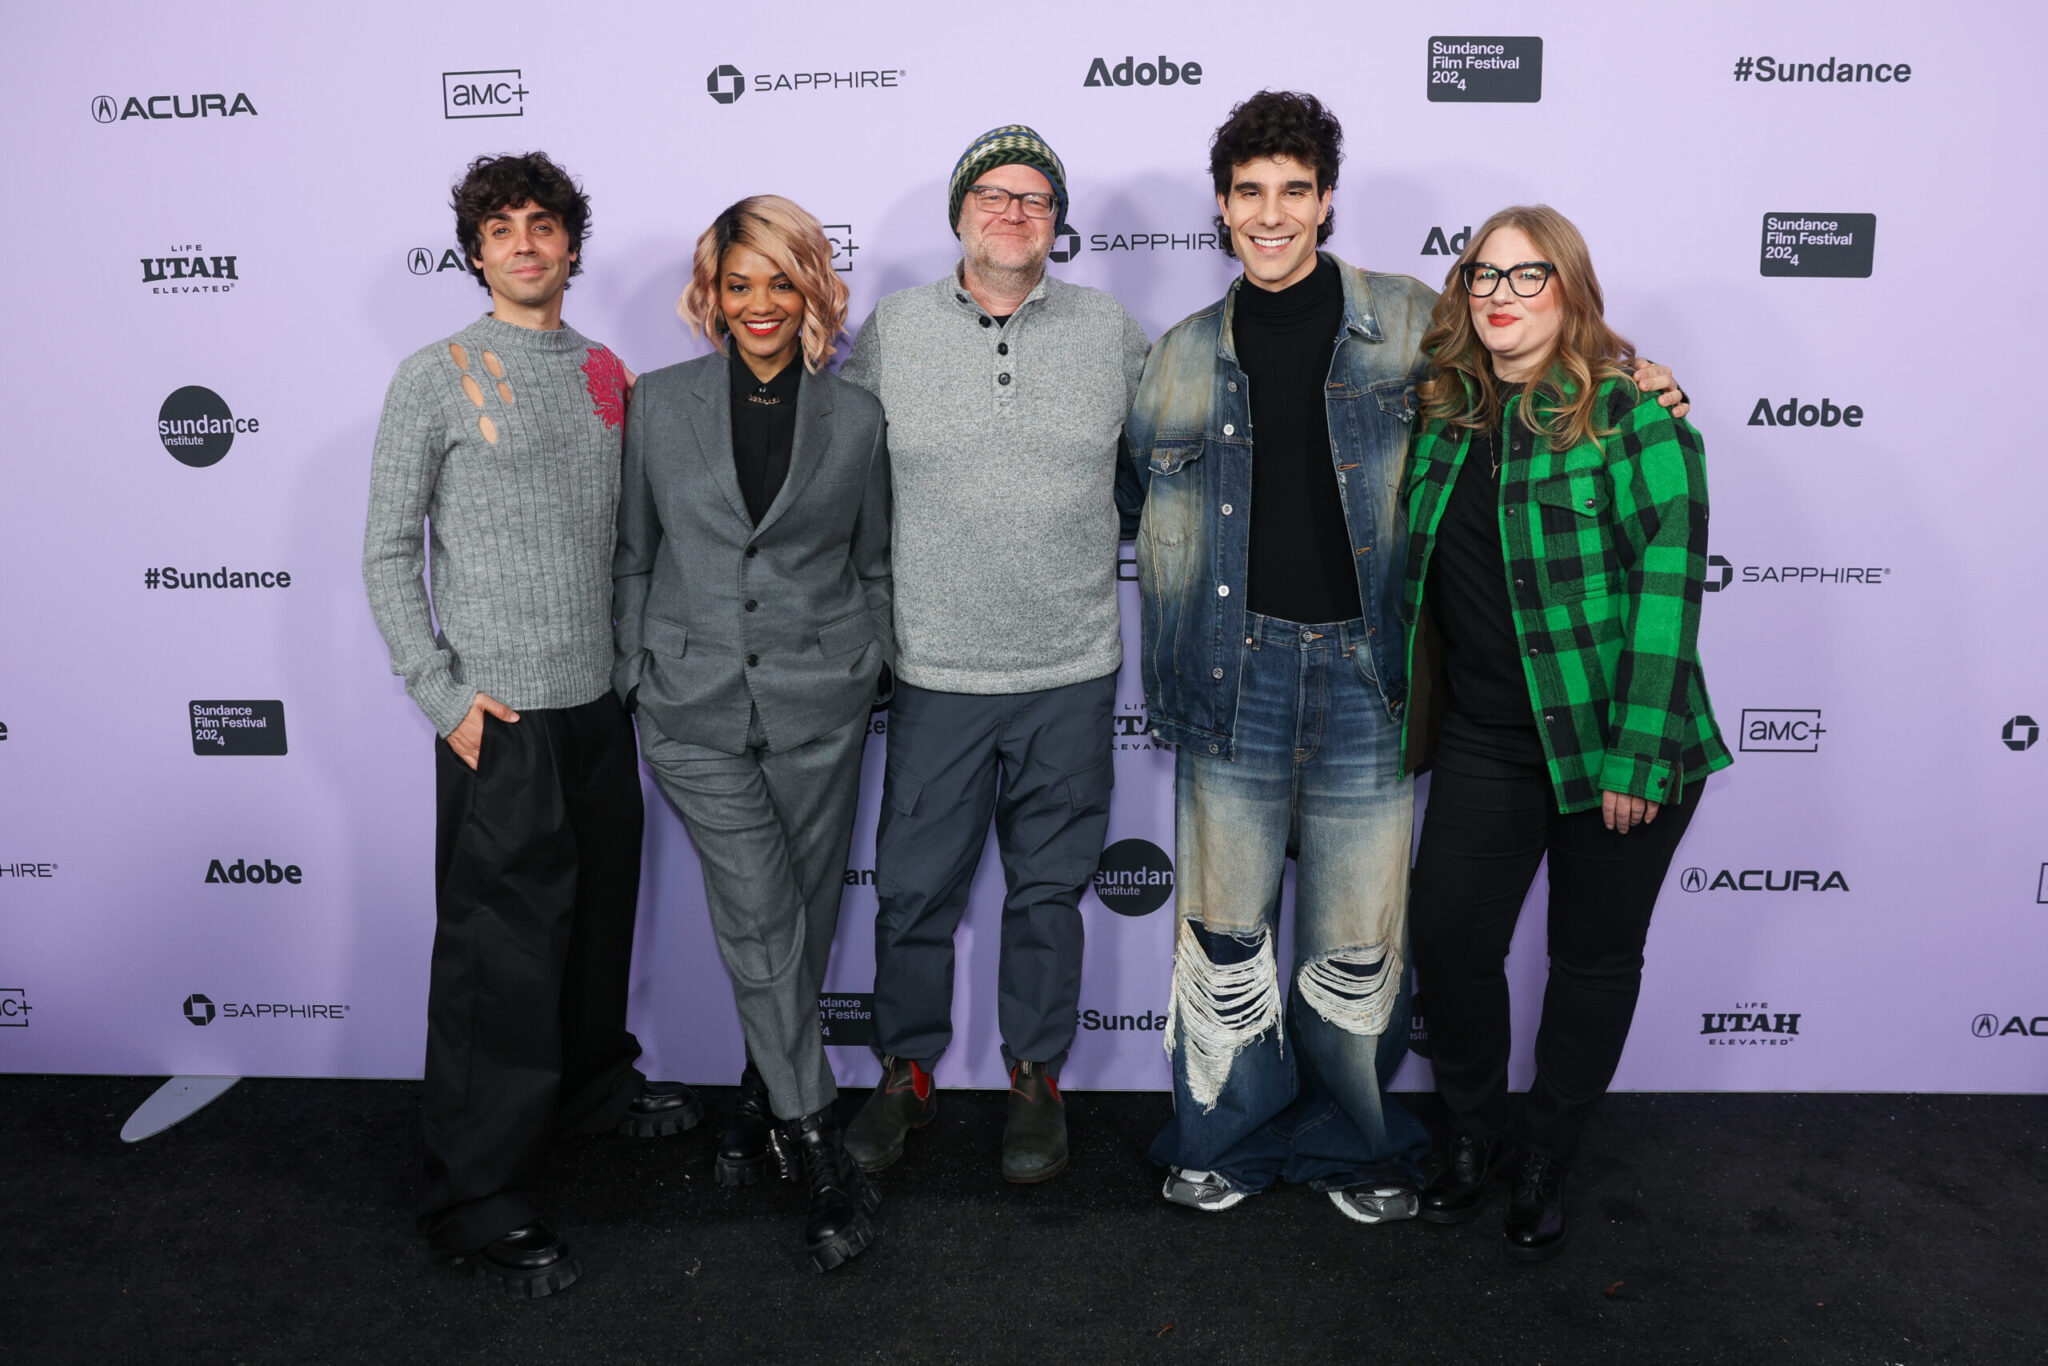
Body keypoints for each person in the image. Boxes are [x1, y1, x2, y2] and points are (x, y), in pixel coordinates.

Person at [1126, 93, 1690, 1227]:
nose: (1271, 214)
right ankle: (1225, 1134)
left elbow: (1539, 362)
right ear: (1222, 210)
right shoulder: (1178, 357)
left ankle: (1352, 1140)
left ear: (1326, 201)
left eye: (1294, 191)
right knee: (1226, 928)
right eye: (1248, 194)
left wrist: (1636, 374)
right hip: (1230, 681)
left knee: (1357, 936)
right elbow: (1137, 508)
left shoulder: (1411, 323)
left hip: (1369, 681)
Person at [362, 152, 699, 1299]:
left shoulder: (609, 373)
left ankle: (592, 1093)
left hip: (597, 706)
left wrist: (629, 674)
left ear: (569, 244)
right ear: (473, 250)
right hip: (498, 719)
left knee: (597, 928)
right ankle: (478, 1193)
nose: (522, 242)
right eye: (499, 226)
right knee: (497, 968)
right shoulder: (435, 375)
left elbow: (627, 545)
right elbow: (384, 550)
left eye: (542, 224)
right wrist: (441, 694)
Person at [1401, 204, 1730, 1260]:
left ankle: (1546, 1152)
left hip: (1614, 744)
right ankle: (1471, 1134)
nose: (1498, 296)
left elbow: (1667, 590)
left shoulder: (1635, 417)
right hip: (1488, 739)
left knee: (1590, 960)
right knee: (1451, 946)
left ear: (1569, 289)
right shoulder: (1440, 409)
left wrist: (1635, 755)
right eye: (1480, 277)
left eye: (1525, 277)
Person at [838, 125, 1151, 1185]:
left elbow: (1163, 468)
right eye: (991, 193)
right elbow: (825, 457)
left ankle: (1033, 1076)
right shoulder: (888, 330)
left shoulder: (1111, 332)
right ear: (959, 213)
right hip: (934, 670)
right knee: (913, 893)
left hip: (1070, 667)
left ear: (1055, 224)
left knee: (1046, 892)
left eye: (1033, 198)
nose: (1012, 211)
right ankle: (903, 1073)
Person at [613, 196, 892, 1272]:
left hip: (822, 701)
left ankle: (752, 1095)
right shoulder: (657, 404)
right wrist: (634, 672)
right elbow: (633, 553)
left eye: (781, 281)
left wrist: (865, 659)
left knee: (803, 918)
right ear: (711, 295)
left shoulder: (856, 421)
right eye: (739, 284)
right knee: (761, 908)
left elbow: (871, 564)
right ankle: (816, 1140)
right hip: (689, 706)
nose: (761, 304)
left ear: (811, 288)